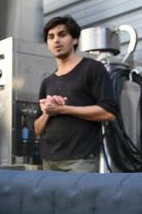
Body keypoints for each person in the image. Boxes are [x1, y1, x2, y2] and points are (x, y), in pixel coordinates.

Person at [33, 15, 118, 173]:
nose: (56, 40)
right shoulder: (47, 82)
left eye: (62, 34)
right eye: (51, 37)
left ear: (75, 40)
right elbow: (37, 129)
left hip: (80, 160)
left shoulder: (93, 69)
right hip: (48, 161)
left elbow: (109, 112)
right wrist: (47, 112)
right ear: (48, 45)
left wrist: (63, 109)